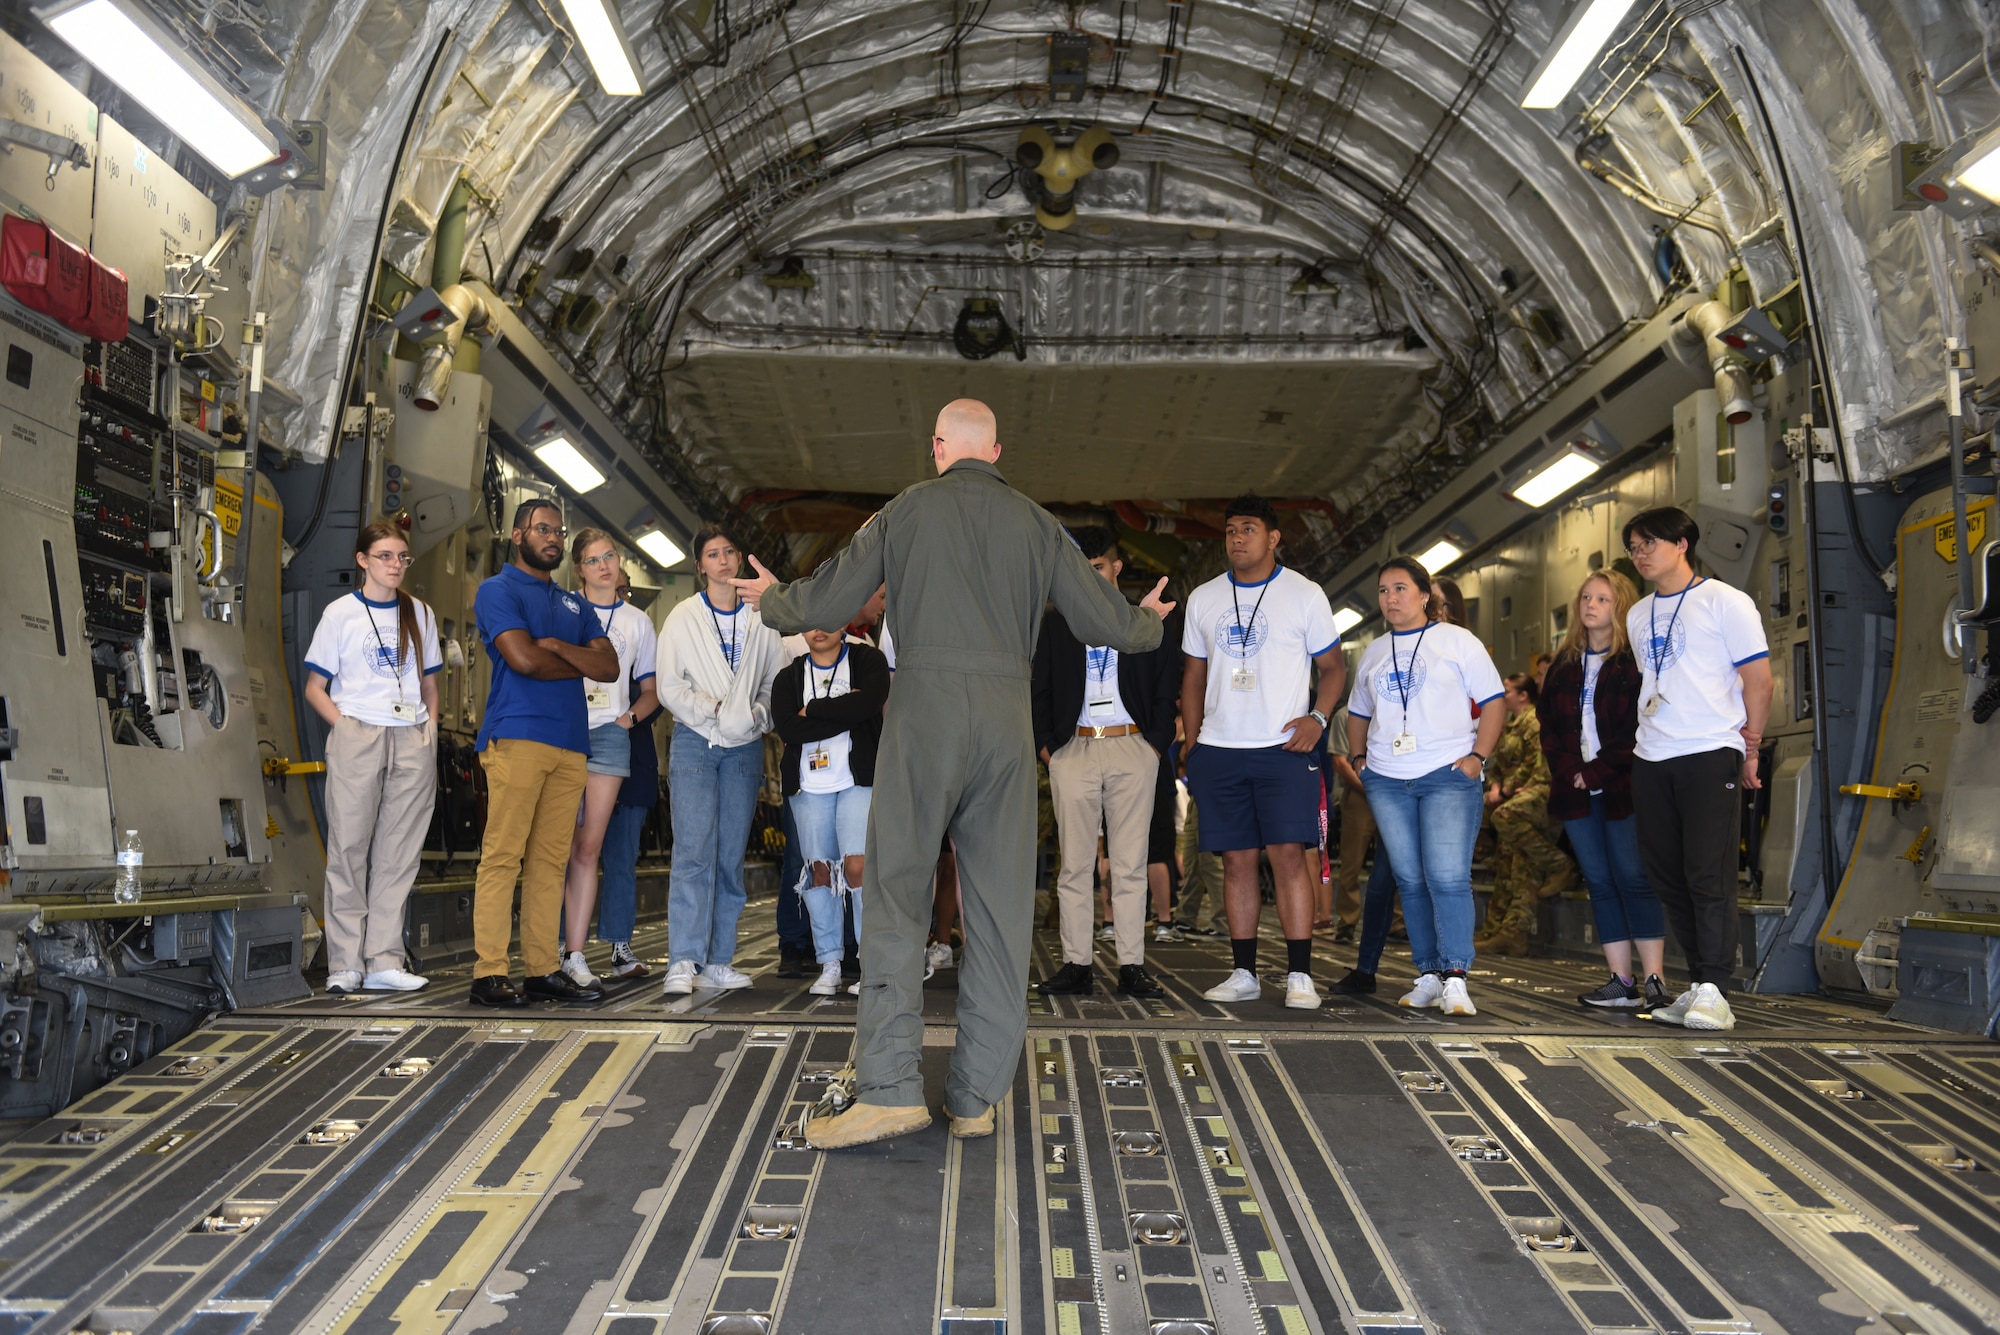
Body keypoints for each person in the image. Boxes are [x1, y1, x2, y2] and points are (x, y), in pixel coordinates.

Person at [735, 398, 1172, 1148]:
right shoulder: (1038, 524)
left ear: (938, 447)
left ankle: (891, 1088)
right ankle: (975, 1096)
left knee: (898, 894)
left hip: (926, 710)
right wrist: (1149, 619)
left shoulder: (903, 511)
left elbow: (835, 598)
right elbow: (1106, 622)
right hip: (1007, 717)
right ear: (996, 451)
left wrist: (773, 599)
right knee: (999, 908)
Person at [1181, 495, 1346, 1011]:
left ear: (1273, 538)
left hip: (1283, 748)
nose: (1236, 538)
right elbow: (1193, 676)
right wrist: (1192, 741)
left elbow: (1335, 668)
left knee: (1289, 857)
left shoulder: (1304, 593)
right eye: (1230, 530)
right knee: (1236, 862)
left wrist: (1317, 719)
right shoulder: (1204, 597)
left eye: (1248, 529)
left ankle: (1299, 975)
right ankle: (1244, 972)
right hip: (1221, 749)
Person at [1623, 508, 1772, 1031]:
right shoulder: (1638, 614)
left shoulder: (1725, 601)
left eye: (1650, 544)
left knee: (1709, 874)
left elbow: (1759, 680)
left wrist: (1750, 747)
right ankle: (1698, 983)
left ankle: (1716, 986)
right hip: (1651, 755)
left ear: (1683, 543)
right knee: (1668, 877)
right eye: (1634, 547)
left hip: (1710, 751)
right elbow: (1655, 681)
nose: (1641, 554)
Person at [470, 500, 619, 1007]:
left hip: (572, 744)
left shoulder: (575, 606)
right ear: (517, 535)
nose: (552, 537)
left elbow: (610, 668)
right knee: (503, 856)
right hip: (517, 734)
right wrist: (565, 655)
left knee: (550, 862)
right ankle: (489, 972)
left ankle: (540, 968)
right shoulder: (497, 590)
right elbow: (524, 659)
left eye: (558, 530)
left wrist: (554, 647)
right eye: (542, 529)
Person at [1347, 556, 1506, 1016]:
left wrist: (1479, 757)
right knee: (1410, 880)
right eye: (1383, 591)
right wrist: (1361, 760)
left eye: (1400, 589)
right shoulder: (1375, 651)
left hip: (1446, 775)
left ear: (1423, 595)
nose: (1391, 598)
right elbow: (1358, 710)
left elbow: (1493, 702)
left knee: (1447, 877)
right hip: (1388, 779)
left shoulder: (1457, 642)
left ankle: (1456, 975)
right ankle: (1429, 974)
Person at [1031, 527, 1177, 999]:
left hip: (1132, 746)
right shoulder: (1056, 623)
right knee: (1075, 866)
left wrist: (1155, 744)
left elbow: (1164, 682)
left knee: (1130, 864)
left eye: (1097, 567)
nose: (1089, 577)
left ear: (1115, 567)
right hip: (1074, 749)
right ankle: (1077, 964)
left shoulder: (1141, 618)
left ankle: (1131, 965)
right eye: (1081, 569)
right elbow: (1040, 688)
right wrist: (1048, 747)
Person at [302, 520, 443, 994]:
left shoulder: (419, 613)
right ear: (362, 560)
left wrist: (431, 728)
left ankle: (384, 958)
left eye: (402, 557)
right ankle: (345, 962)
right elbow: (314, 688)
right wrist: (345, 727)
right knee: (349, 847)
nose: (395, 565)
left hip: (412, 735)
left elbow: (429, 682)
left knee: (398, 851)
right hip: (358, 731)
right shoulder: (339, 614)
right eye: (385, 556)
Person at [656, 524, 786, 997]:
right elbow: (670, 685)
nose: (724, 561)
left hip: (745, 746)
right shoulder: (683, 618)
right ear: (700, 566)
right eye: (713, 554)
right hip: (696, 741)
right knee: (693, 852)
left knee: (730, 855)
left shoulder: (760, 617)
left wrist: (757, 716)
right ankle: (682, 959)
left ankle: (718, 960)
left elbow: (774, 679)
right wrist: (713, 712)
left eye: (730, 551)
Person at [1540, 570, 1666, 1009]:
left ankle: (1655, 980)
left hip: (1622, 787)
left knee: (1634, 878)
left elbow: (1640, 727)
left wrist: (1595, 772)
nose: (1590, 606)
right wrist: (1572, 771)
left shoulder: (1634, 664)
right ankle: (1620, 981)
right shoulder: (1563, 666)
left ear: (1622, 607)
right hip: (1575, 791)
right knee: (1599, 881)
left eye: (1602, 600)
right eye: (1586, 597)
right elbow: (1550, 730)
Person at [557, 530, 658, 989]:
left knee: (590, 847)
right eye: (594, 560)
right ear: (579, 567)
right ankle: (551, 949)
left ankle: (576, 954)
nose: (604, 566)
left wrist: (627, 721)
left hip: (611, 735)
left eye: (610, 557)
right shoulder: (561, 607)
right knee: (553, 846)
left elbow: (652, 690)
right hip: (562, 730)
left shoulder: (638, 622)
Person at [773, 628, 891, 996]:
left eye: (829, 618)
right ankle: (830, 962)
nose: (819, 629)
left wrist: (815, 710)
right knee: (819, 870)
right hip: (808, 785)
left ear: (843, 623)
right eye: (811, 621)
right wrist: (846, 710)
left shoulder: (867, 660)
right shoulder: (789, 676)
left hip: (858, 780)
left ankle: (870, 964)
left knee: (857, 866)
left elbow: (870, 703)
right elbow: (788, 726)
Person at [595, 568, 662, 979]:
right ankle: (567, 948)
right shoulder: (580, 623)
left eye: (625, 589)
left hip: (633, 759)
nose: (620, 595)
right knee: (571, 856)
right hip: (583, 752)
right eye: (614, 588)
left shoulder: (641, 632)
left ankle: (620, 947)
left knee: (621, 857)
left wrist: (627, 720)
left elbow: (658, 692)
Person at [1476, 673, 1572, 957]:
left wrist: (1504, 791)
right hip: (1515, 795)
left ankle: (1558, 863)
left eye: (1507, 690)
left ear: (1523, 695)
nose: (1502, 695)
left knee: (1505, 819)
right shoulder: (1509, 726)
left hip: (1538, 794)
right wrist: (1495, 785)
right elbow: (1498, 765)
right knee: (1509, 862)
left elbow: (1537, 767)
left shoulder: (1534, 721)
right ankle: (1498, 930)